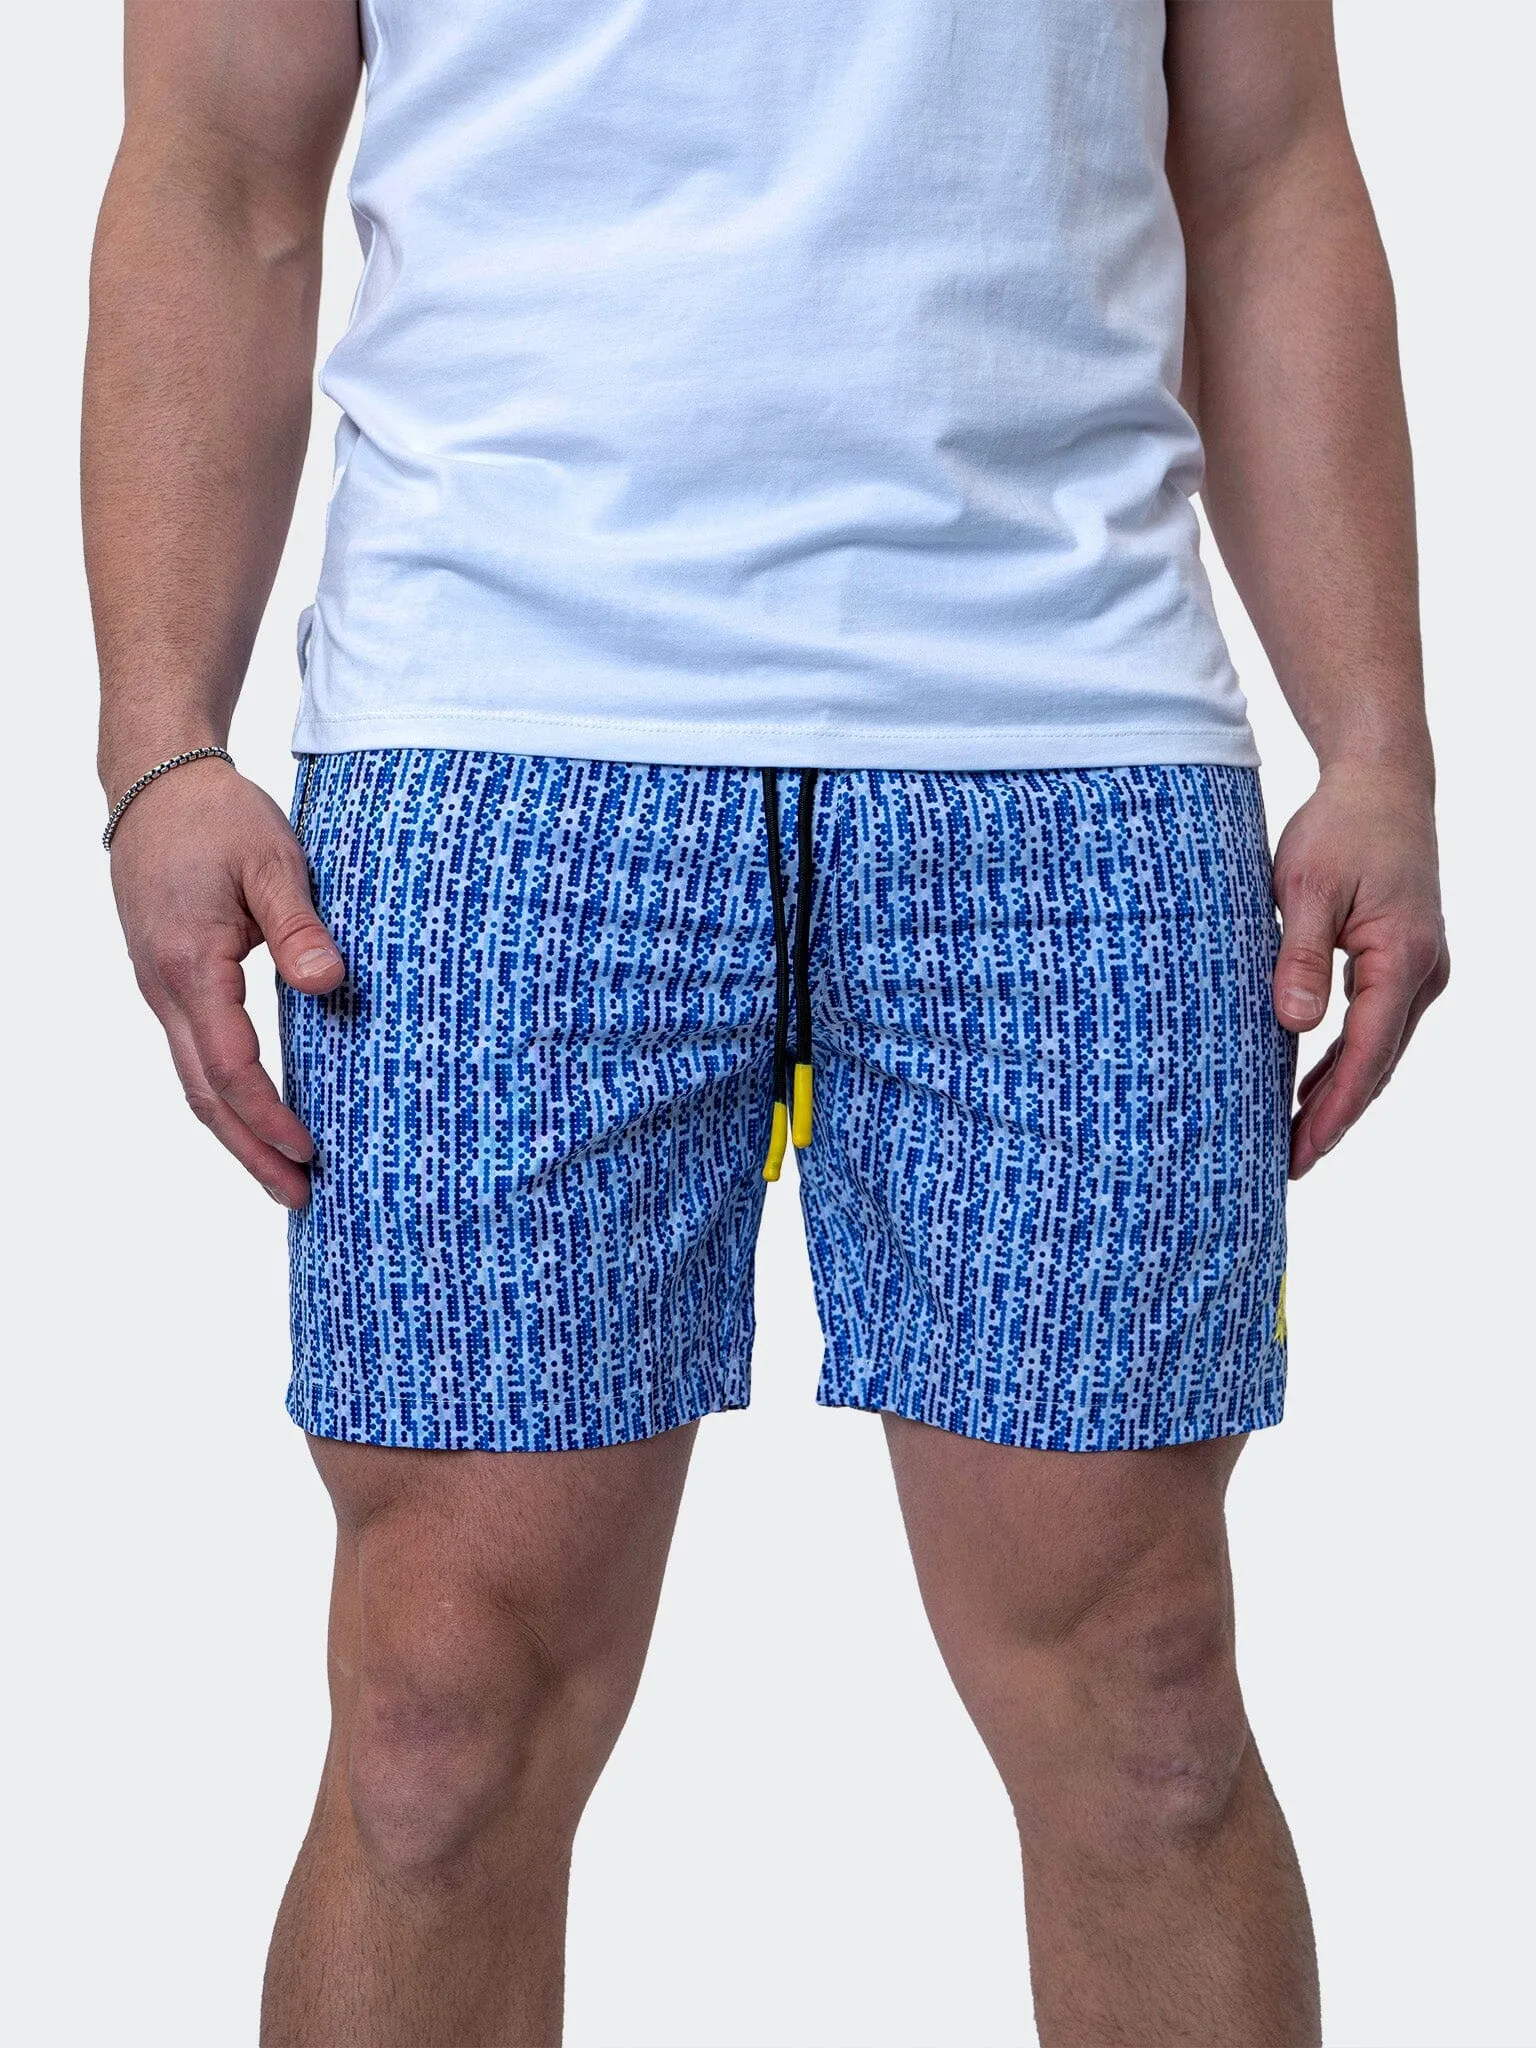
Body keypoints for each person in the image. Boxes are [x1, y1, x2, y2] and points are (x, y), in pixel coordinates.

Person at [84, 0, 1448, 2040]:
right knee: (437, 1721)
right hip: (500, 737)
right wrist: (160, 745)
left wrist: (1380, 742)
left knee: (1148, 1704)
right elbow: (217, 176)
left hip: (1066, 742)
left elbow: (1267, 178)